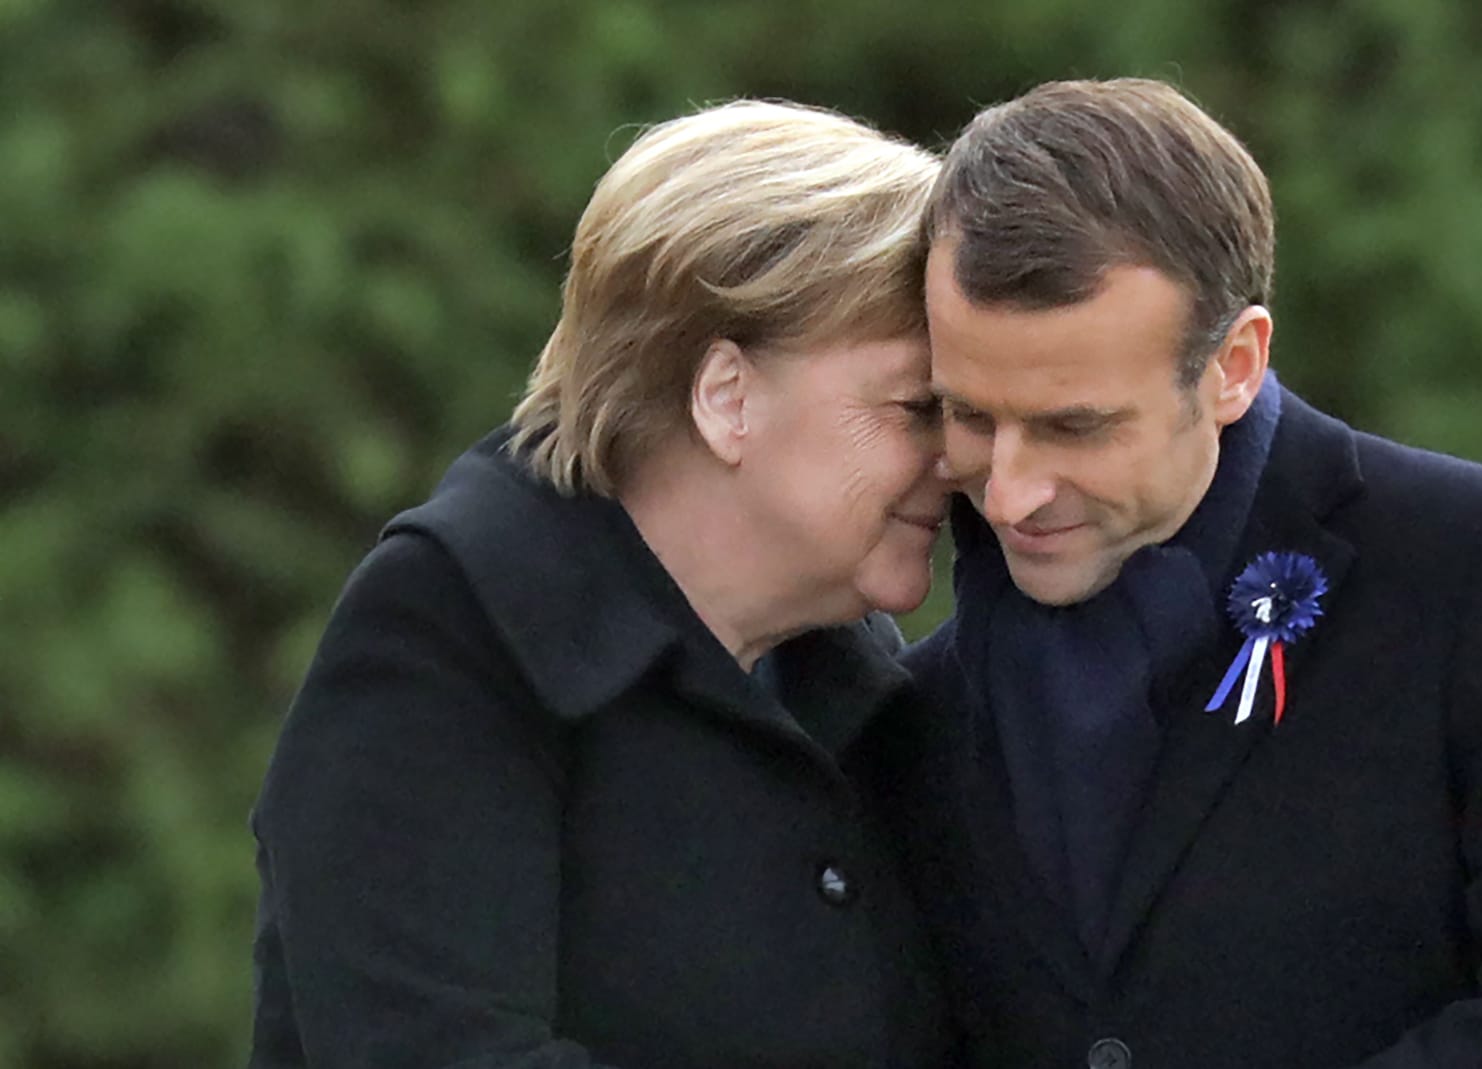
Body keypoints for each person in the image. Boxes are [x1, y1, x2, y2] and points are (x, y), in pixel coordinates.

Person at [891, 78, 1482, 1069]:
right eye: (968, 416)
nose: (1010, 493)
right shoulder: (910, 705)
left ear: (1233, 364)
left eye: (1076, 426)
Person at [247, 100, 955, 1069]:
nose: (959, 458)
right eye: (917, 407)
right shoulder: (454, 632)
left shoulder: (853, 673)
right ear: (727, 397)